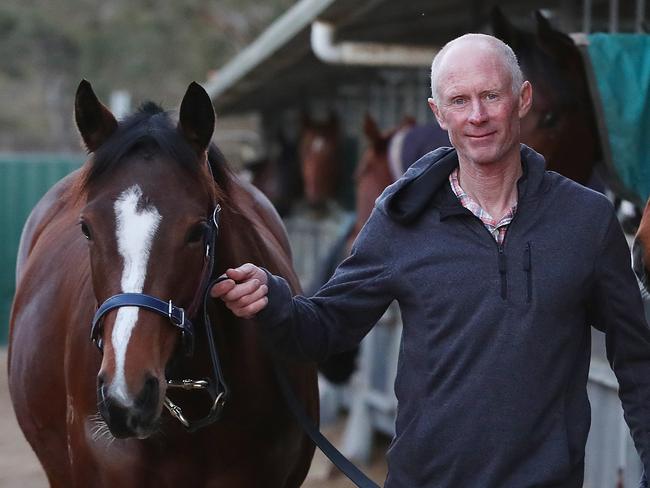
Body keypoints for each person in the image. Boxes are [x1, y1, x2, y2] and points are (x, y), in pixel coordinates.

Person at [212, 33, 650, 487]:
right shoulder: (402, 218)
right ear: (438, 114)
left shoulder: (586, 219)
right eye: (459, 101)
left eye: (491, 96)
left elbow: (638, 362)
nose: (476, 116)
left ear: (522, 99)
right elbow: (324, 329)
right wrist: (272, 300)